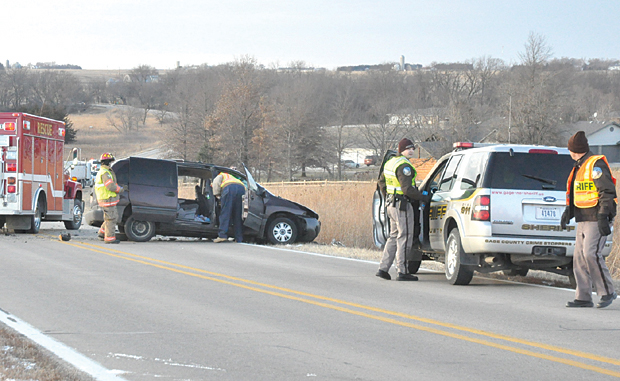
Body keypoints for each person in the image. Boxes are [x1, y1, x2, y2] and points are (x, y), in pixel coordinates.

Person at [562, 131, 617, 308]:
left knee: (590, 254)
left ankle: (607, 291)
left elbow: (607, 192)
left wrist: (603, 215)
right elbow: (578, 192)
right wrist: (568, 212)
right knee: (578, 258)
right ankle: (583, 297)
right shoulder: (580, 165)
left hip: (597, 217)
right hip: (583, 217)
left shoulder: (596, 165)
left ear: (574, 150)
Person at [376, 138, 431, 281]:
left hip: (391, 205)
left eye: (412, 148)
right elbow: (407, 189)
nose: (411, 151)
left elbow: (381, 182)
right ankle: (403, 271)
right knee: (405, 237)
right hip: (402, 206)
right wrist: (423, 197)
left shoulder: (390, 162)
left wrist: (387, 196)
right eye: (408, 148)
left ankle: (383, 268)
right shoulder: (404, 166)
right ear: (401, 150)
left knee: (393, 237)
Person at [94, 153, 123, 244]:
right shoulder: (105, 173)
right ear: (107, 162)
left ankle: (102, 233)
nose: (111, 164)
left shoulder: (103, 171)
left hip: (105, 198)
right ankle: (109, 238)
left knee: (109, 218)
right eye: (110, 162)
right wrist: (120, 190)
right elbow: (110, 186)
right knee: (111, 218)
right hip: (107, 198)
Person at [212, 171, 246, 243]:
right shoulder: (233, 177)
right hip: (242, 189)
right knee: (237, 215)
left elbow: (215, 184)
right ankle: (239, 238)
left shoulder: (221, 175)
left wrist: (217, 196)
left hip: (229, 188)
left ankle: (222, 235)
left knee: (225, 212)